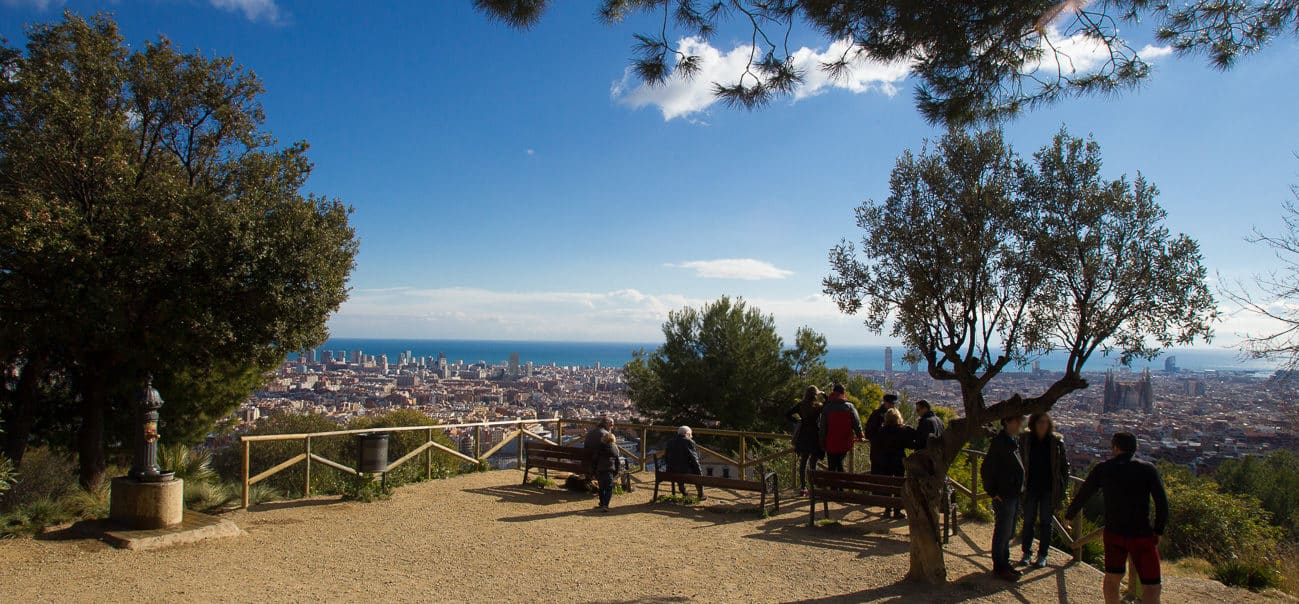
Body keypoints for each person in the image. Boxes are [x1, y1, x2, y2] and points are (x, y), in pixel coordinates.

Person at [1065, 432, 1169, 604]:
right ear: (1134, 448)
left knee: (1113, 577)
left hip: (1114, 532)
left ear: (1115, 447)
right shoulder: (1147, 469)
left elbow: (1084, 493)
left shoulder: (1104, 468)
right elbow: (1162, 503)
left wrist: (1069, 515)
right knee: (1151, 585)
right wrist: (1158, 529)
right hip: (1141, 533)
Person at [1018, 412, 1069, 568]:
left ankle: (1042, 555)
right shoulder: (1025, 440)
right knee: (1028, 522)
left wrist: (1062, 488)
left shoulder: (1056, 442)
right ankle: (1027, 553)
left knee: (1046, 523)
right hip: (1030, 486)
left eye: (1045, 422)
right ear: (1033, 423)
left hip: (1049, 488)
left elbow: (1063, 467)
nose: (1042, 425)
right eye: (1040, 421)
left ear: (1049, 424)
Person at [982, 415, 1026, 582]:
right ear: (1007, 422)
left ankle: (1004, 563)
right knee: (1003, 531)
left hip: (1012, 494)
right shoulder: (1000, 443)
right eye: (1017, 420)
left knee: (1008, 531)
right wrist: (993, 492)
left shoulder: (1011, 440)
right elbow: (987, 468)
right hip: (1004, 494)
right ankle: (1000, 566)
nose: (1020, 423)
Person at [873, 408, 919, 518]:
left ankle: (887, 509)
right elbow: (911, 444)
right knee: (899, 485)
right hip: (898, 460)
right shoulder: (903, 430)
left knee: (888, 484)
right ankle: (897, 510)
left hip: (885, 460)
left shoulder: (881, 431)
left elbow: (877, 444)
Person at [786, 386, 825, 495]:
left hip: (803, 435)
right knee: (813, 463)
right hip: (814, 436)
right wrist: (823, 393)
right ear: (815, 394)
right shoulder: (819, 406)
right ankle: (813, 487)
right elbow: (828, 404)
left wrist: (798, 421)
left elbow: (787, 414)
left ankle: (803, 487)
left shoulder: (800, 405)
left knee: (803, 462)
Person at [817, 383, 862, 472]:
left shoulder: (827, 407)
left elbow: (823, 427)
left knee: (832, 466)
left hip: (830, 442)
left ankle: (834, 485)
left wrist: (822, 442)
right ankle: (841, 484)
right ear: (843, 393)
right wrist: (860, 435)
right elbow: (856, 423)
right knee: (839, 463)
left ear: (833, 392)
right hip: (845, 441)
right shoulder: (849, 407)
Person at [665, 425, 704, 499]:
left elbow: (666, 457)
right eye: (690, 434)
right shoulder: (688, 441)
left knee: (679, 467)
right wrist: (700, 473)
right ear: (687, 434)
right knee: (696, 471)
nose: (691, 436)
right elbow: (694, 459)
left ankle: (683, 491)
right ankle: (700, 494)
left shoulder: (670, 441)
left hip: (671, 470)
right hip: (684, 472)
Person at [865, 393, 899, 472]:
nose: (892, 405)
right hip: (879, 453)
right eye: (890, 403)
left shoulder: (894, 414)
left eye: (893, 404)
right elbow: (869, 432)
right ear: (885, 402)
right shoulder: (877, 415)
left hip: (886, 455)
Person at [593, 431, 621, 512]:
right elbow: (617, 461)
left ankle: (602, 503)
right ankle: (606, 505)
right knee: (608, 488)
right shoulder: (615, 448)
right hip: (610, 470)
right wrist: (616, 471)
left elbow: (595, 459)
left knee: (601, 488)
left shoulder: (599, 448)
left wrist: (594, 470)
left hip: (600, 470)